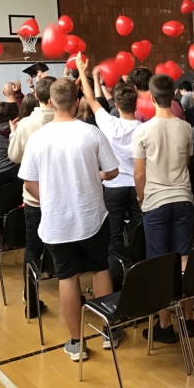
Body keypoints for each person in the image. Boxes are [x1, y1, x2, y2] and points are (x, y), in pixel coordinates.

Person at [19, 78, 122, 361]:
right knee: (100, 270)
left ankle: (77, 343)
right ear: (76, 101)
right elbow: (113, 171)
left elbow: (29, 183)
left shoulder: (38, 137)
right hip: (92, 217)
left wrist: (51, 198)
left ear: (51, 103)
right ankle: (106, 333)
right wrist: (95, 176)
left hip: (56, 221)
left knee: (67, 277)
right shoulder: (92, 133)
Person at [133, 73, 194, 342]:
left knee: (159, 264)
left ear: (150, 95)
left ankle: (164, 326)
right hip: (182, 198)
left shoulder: (143, 131)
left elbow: (139, 175)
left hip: (155, 202)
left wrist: (140, 198)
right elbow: (187, 161)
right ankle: (189, 321)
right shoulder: (185, 127)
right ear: (174, 95)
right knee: (185, 260)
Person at [75, 57, 143, 293]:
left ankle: (114, 284)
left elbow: (91, 98)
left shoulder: (108, 123)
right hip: (137, 187)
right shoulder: (144, 129)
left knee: (114, 239)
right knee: (139, 235)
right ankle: (141, 278)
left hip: (113, 187)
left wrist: (84, 72)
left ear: (116, 103)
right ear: (137, 102)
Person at [8, 76, 56, 318]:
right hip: (61, 196)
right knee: (64, 248)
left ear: (36, 96)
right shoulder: (68, 120)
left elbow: (14, 156)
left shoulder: (26, 124)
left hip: (35, 198)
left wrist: (13, 134)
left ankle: (31, 299)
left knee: (33, 248)